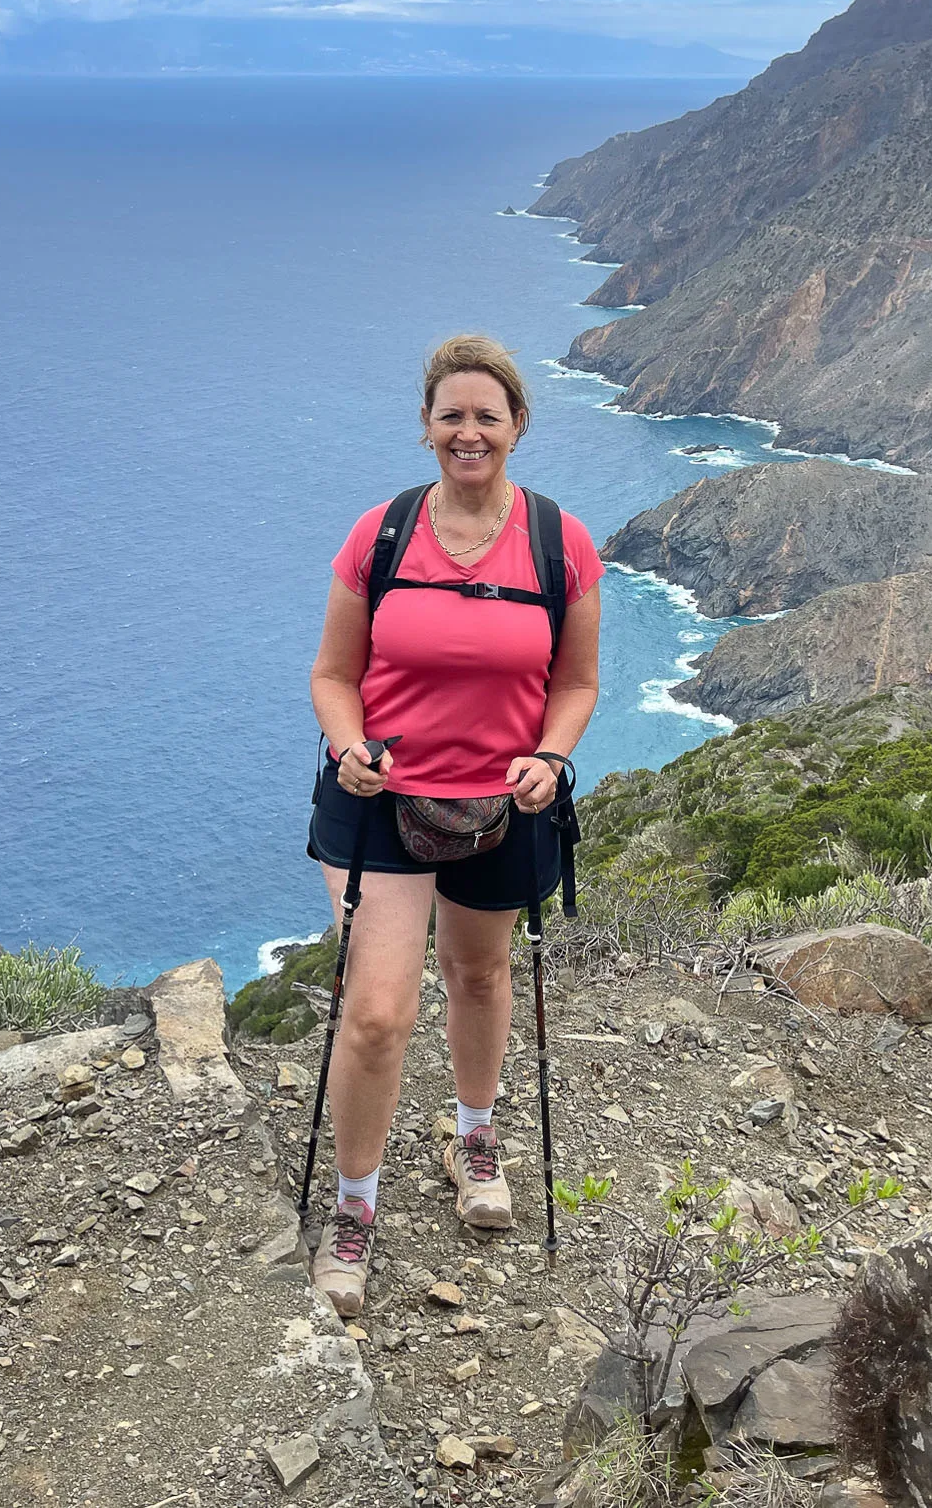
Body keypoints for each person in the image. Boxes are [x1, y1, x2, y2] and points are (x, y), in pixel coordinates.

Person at [305, 333, 604, 1316]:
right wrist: (348, 745)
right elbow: (334, 676)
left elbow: (577, 683)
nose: (468, 431)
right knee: (379, 1010)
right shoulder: (382, 535)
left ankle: (472, 1134)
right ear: (428, 427)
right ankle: (355, 1205)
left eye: (487, 415)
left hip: (503, 801)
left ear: (517, 426)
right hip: (382, 800)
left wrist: (551, 757)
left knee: (478, 972)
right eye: (451, 416)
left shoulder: (560, 543)